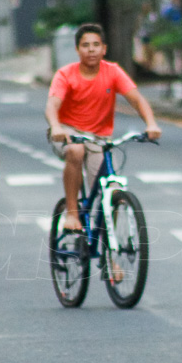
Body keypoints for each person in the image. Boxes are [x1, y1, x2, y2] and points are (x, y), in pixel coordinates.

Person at [45, 23, 162, 232]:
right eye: (85, 45)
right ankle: (72, 213)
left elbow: (137, 100)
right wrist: (55, 127)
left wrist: (151, 123)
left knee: (113, 190)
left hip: (99, 139)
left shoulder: (113, 72)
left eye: (96, 45)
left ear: (104, 49)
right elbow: (52, 105)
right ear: (77, 49)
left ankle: (109, 253)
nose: (91, 50)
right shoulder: (66, 75)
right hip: (68, 132)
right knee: (76, 151)